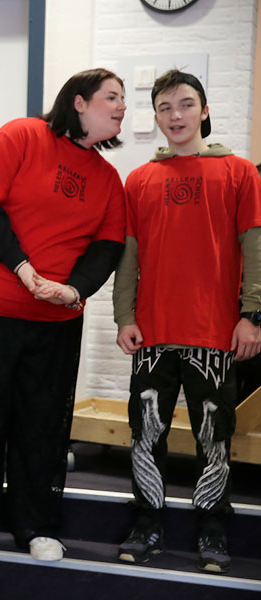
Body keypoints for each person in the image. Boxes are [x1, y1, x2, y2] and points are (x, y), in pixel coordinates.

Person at [0, 68, 127, 563]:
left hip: (55, 318)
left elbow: (108, 246)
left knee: (43, 421)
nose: (121, 107)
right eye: (111, 97)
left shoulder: (108, 179)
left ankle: (37, 525)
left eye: (123, 100)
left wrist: (75, 289)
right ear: (79, 101)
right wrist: (22, 268)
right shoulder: (22, 136)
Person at [112, 70, 261, 574]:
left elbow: (255, 250)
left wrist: (251, 316)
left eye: (186, 104)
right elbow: (129, 255)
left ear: (204, 110)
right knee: (145, 434)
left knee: (214, 438)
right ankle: (146, 522)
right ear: (155, 115)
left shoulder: (239, 173)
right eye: (165, 107)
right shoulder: (139, 180)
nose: (175, 116)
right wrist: (124, 315)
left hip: (214, 334)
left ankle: (213, 527)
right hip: (153, 333)